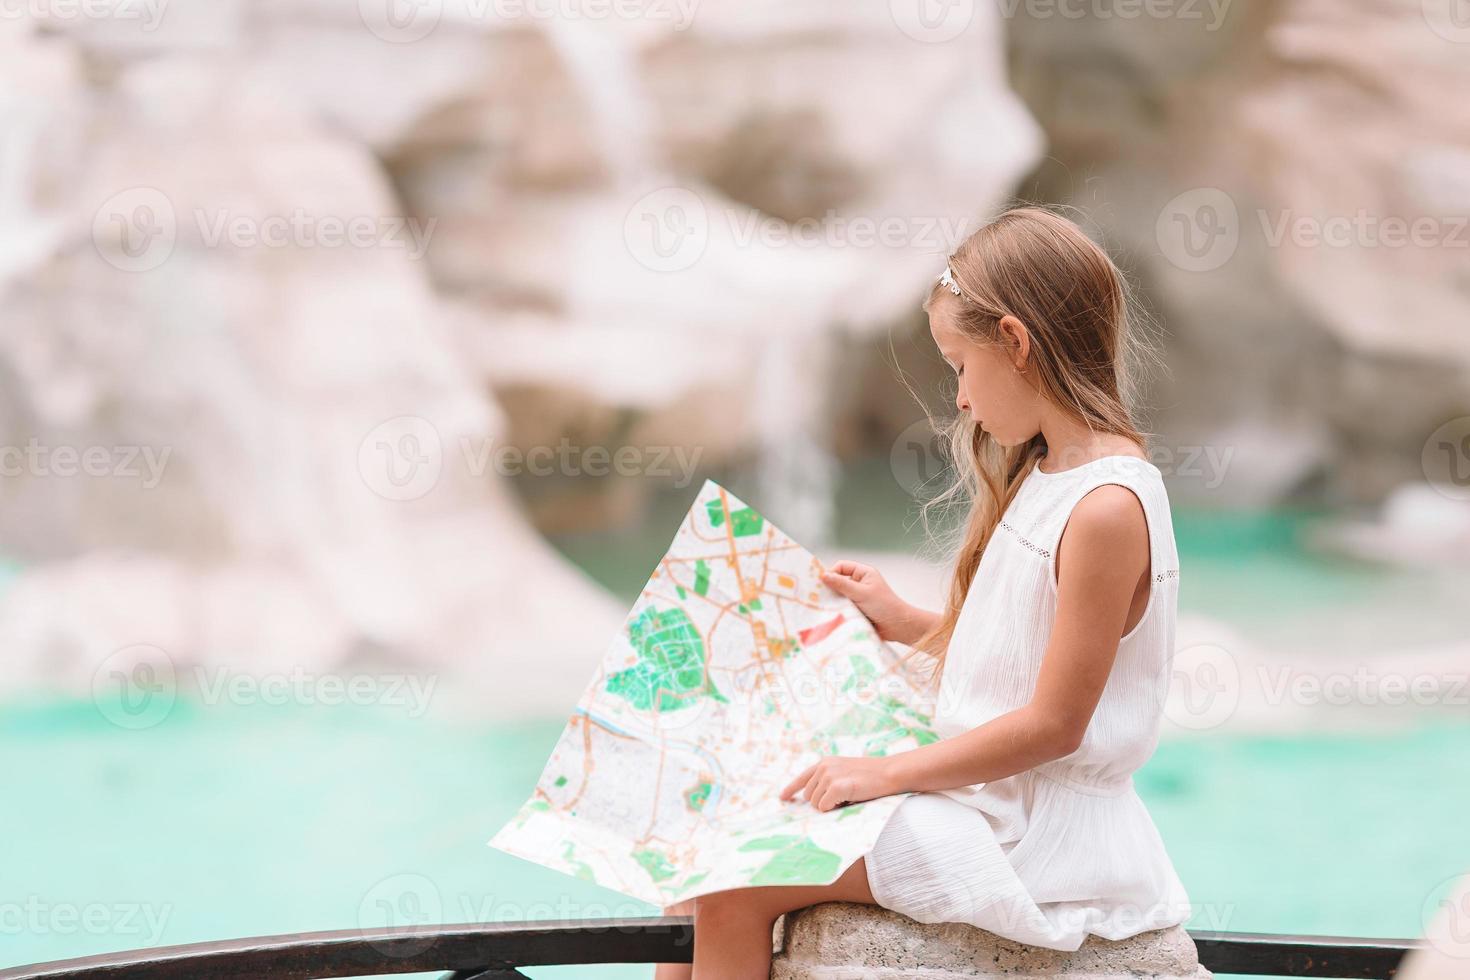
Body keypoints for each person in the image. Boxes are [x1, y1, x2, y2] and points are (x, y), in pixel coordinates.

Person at [656, 204, 1191, 980]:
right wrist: (904, 622)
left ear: (1014, 342)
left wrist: (881, 773)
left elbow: (1055, 723)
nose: (963, 400)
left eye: (959, 367)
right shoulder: (1050, 475)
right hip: (984, 802)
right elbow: (1026, 651)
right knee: (689, 858)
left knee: (728, 885)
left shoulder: (1107, 506)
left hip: (1029, 834)